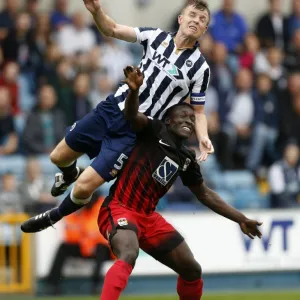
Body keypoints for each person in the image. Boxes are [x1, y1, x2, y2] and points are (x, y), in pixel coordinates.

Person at [22, 67, 263, 300]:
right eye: (183, 115)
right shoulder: (153, 130)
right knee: (129, 253)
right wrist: (134, 91)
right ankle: (59, 203)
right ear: (168, 120)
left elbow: (205, 194)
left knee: (191, 269)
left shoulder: (187, 159)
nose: (189, 119)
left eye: (192, 117)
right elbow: (130, 115)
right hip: (118, 208)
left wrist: (240, 218)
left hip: (149, 218)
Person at [19, 0, 214, 232]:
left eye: (202, 20)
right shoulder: (155, 36)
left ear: (204, 30)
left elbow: (199, 112)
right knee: (58, 157)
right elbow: (111, 29)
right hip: (111, 109)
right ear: (181, 18)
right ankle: (70, 172)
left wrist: (203, 136)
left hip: (135, 130)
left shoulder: (200, 68)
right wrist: (97, 11)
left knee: (83, 187)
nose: (196, 21)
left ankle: (53, 216)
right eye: (192, 15)